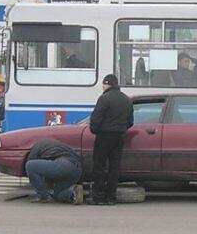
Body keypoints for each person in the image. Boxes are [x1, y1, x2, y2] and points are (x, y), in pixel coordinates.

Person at [87, 74, 133, 205]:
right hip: (119, 137)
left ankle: (99, 197)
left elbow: (96, 118)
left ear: (108, 84)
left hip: (103, 136)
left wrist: (95, 130)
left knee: (99, 166)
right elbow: (130, 122)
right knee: (114, 167)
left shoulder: (104, 99)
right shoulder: (127, 100)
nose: (102, 86)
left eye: (104, 84)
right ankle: (111, 197)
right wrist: (120, 128)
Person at [25, 139, 83, 204]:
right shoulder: (52, 144)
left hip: (65, 164)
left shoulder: (35, 150)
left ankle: (43, 196)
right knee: (57, 195)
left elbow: (33, 170)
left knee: (29, 165)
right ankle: (73, 192)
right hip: (77, 169)